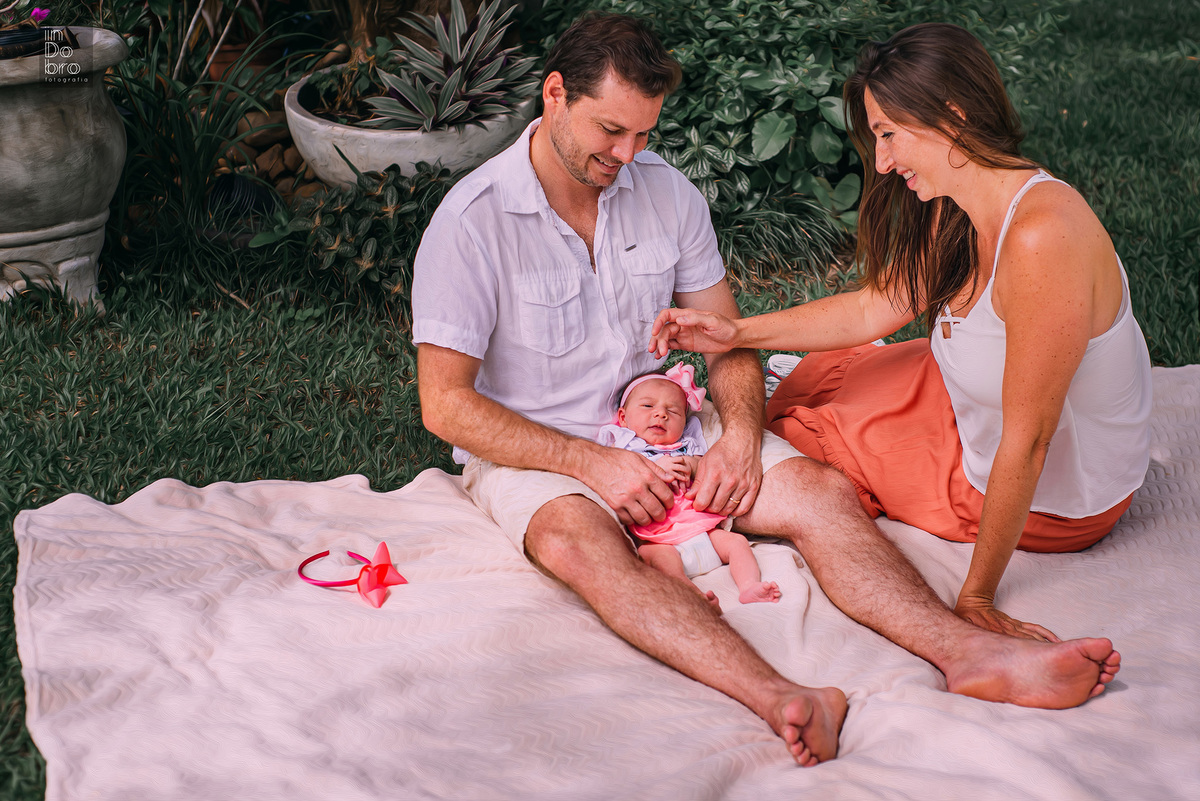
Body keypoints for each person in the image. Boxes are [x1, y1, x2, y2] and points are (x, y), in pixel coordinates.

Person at [413, 12, 1120, 768]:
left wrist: (743, 436)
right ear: (554, 95)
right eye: (611, 132)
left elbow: (727, 341)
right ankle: (783, 696)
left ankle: (968, 652)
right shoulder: (473, 223)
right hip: (549, 453)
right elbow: (445, 404)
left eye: (644, 135)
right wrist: (594, 465)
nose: (628, 154)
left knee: (819, 488)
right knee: (575, 545)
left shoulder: (666, 193)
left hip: (687, 422)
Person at [650, 22, 1152, 644]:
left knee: (803, 440)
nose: (882, 162)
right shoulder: (965, 198)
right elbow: (874, 308)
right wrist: (737, 332)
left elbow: (1028, 442)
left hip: (1052, 492)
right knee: (832, 374)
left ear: (952, 117)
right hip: (973, 406)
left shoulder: (1041, 237)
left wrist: (976, 597)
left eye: (889, 134)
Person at [598, 363, 782, 609]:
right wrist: (656, 466)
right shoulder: (623, 445)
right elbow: (618, 474)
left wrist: (693, 466)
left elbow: (708, 467)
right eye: (648, 406)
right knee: (657, 560)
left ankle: (749, 586)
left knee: (737, 543)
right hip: (661, 540)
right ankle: (693, 598)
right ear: (623, 416)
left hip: (704, 532)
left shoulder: (687, 445)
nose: (661, 414)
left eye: (672, 411)